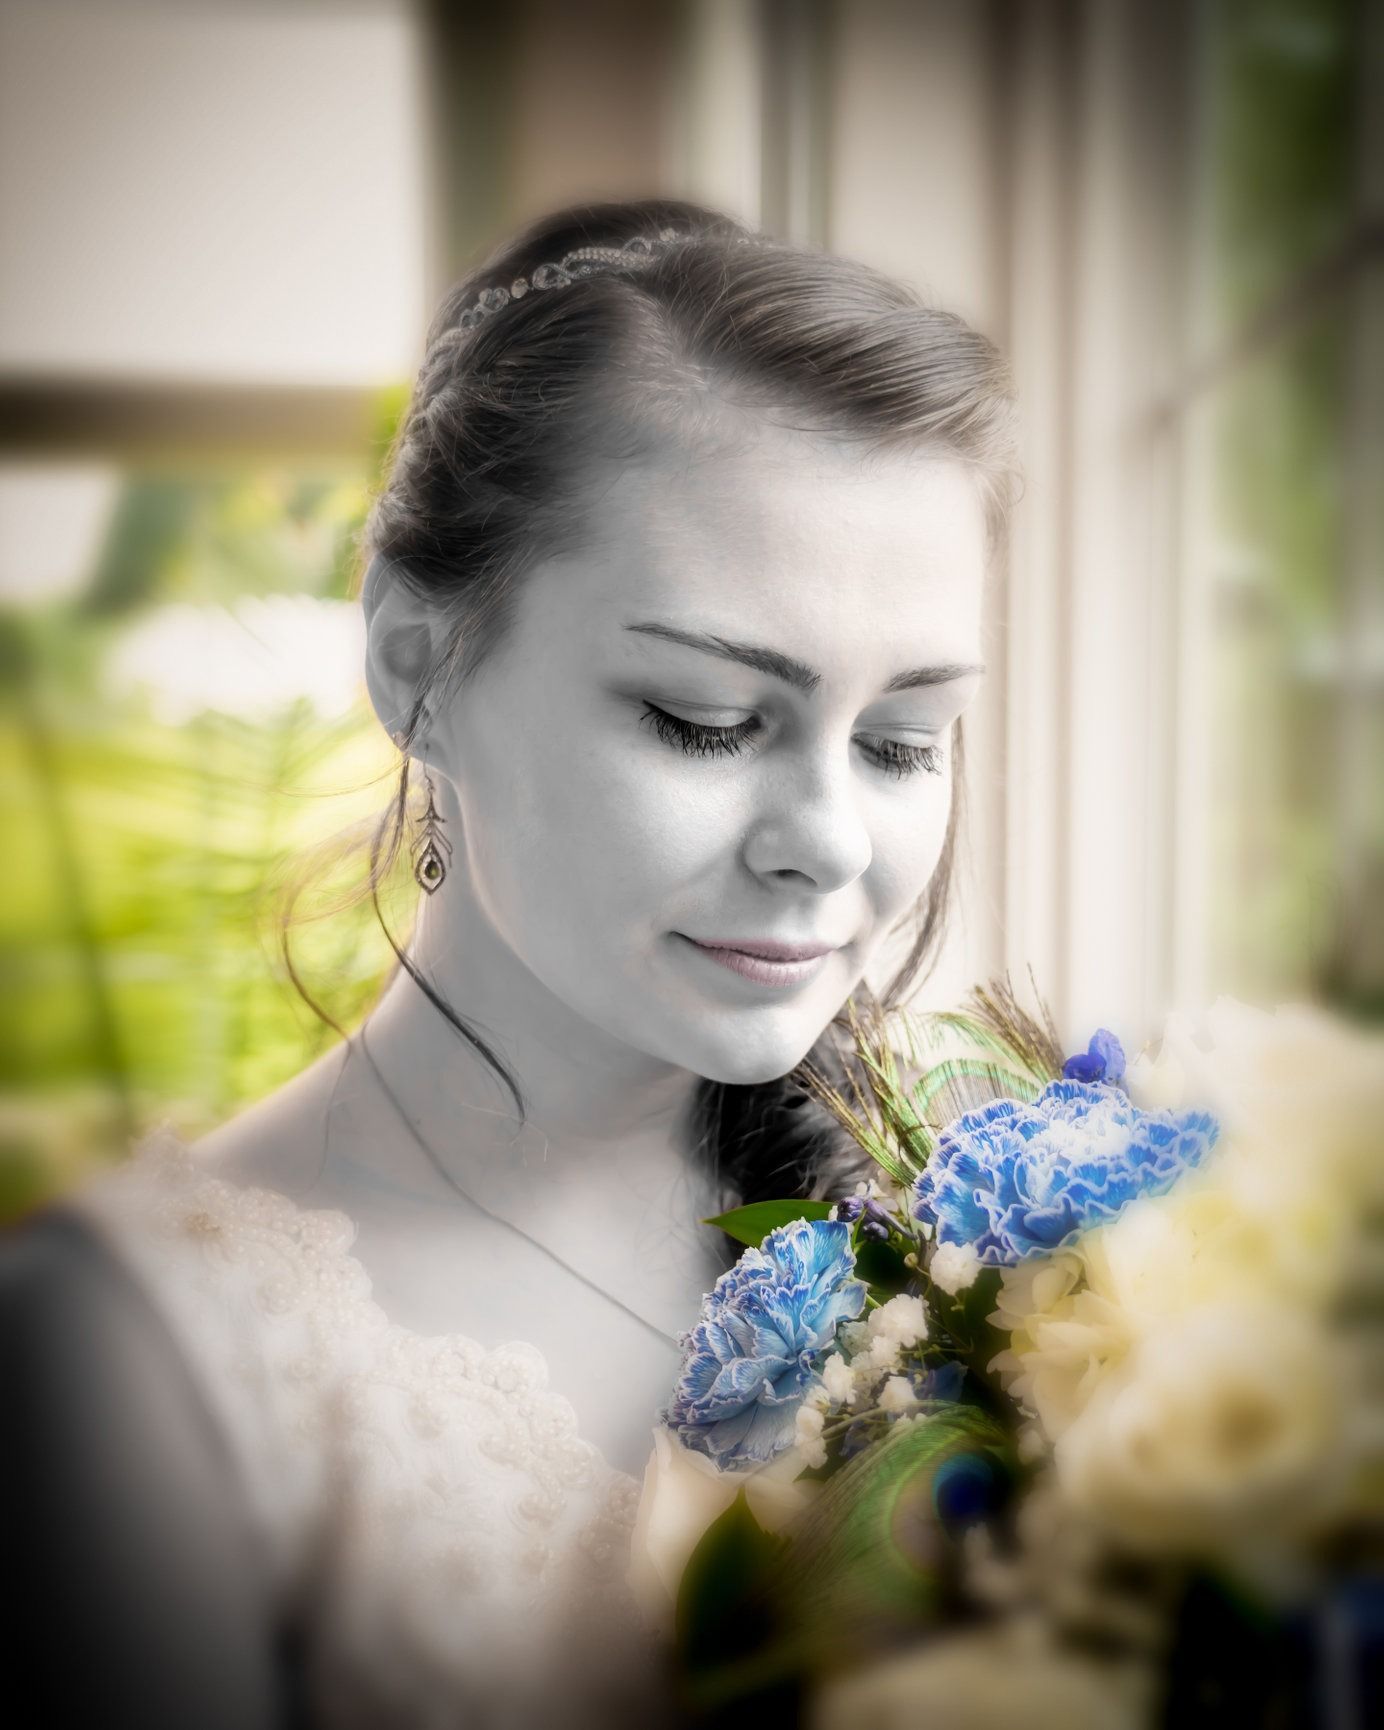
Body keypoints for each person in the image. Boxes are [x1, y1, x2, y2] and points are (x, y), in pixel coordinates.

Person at [1, 196, 1019, 1728]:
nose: (827, 839)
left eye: (901, 740)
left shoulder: (1005, 1222)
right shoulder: (128, 1366)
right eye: (701, 717)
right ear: (420, 664)